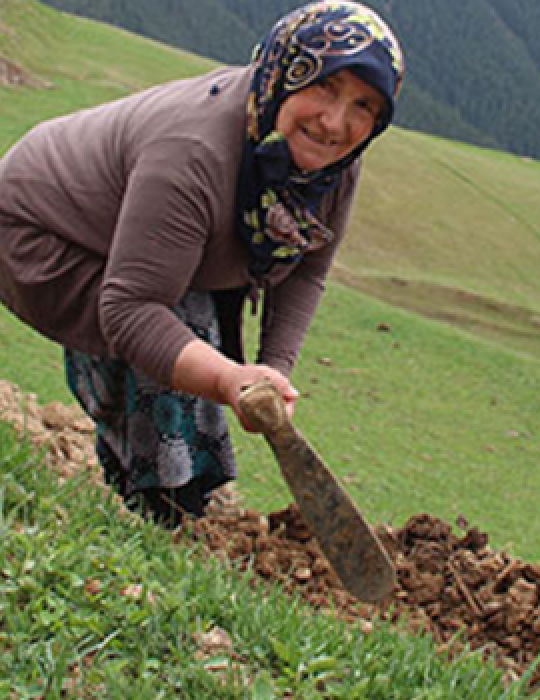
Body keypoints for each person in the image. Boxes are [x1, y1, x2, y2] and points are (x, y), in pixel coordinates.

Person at [0, 1, 404, 526]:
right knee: (176, 332)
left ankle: (175, 501)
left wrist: (273, 374)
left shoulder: (333, 162)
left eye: (364, 105)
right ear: (283, 71)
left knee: (188, 332)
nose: (335, 122)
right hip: (41, 230)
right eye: (324, 86)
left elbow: (307, 268)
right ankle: (161, 509)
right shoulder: (194, 151)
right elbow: (131, 308)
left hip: (142, 241)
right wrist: (230, 381)